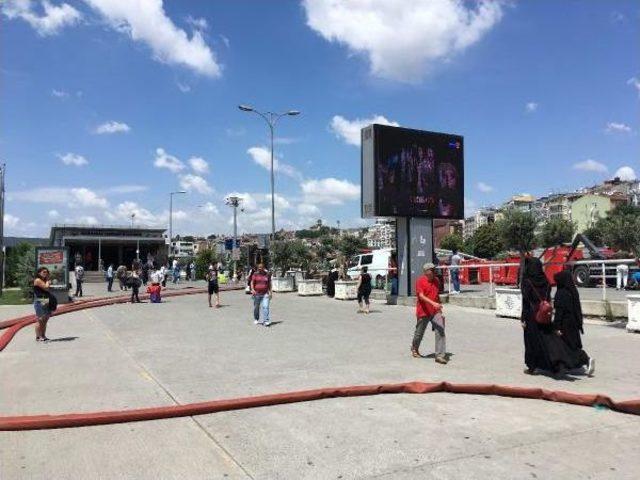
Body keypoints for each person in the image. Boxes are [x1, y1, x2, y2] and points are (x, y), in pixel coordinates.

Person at [553, 270, 595, 376]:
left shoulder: (561, 293)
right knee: (571, 344)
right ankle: (566, 365)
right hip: (574, 322)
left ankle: (586, 359)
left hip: (564, 324)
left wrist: (556, 327)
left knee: (566, 346)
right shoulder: (572, 291)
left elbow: (559, 312)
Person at [521, 257, 554, 375]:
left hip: (531, 314)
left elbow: (525, 301)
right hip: (544, 313)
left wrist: (523, 318)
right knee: (545, 339)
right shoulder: (546, 281)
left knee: (531, 341)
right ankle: (549, 364)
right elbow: (549, 298)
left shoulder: (528, 281)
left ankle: (532, 366)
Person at [412, 262, 447, 364]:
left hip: (435, 311)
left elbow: (436, 296)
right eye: (432, 270)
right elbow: (421, 296)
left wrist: (439, 308)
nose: (434, 271)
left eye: (434, 270)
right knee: (419, 333)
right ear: (426, 272)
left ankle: (440, 355)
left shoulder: (436, 281)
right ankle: (414, 348)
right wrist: (433, 303)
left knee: (440, 330)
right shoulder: (420, 281)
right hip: (423, 311)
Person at [33, 267, 57, 342]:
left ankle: (43, 335)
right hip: (40, 300)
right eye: (44, 272)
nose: (45, 273)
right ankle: (38, 336)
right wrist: (48, 282)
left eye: (46, 272)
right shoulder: (38, 280)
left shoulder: (44, 280)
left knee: (45, 319)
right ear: (39, 273)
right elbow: (46, 288)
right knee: (40, 319)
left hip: (45, 299)